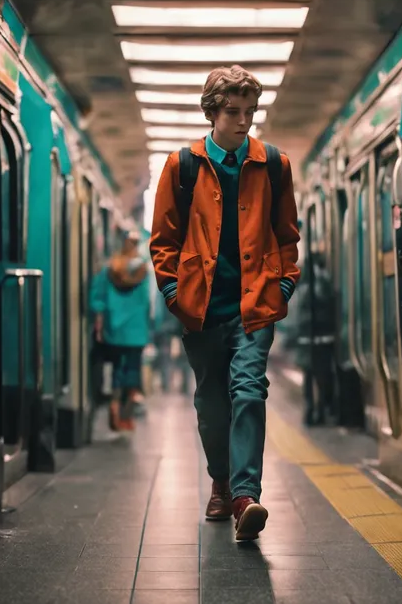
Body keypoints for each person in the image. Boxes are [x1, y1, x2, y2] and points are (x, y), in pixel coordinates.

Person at [150, 65, 300, 541]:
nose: (243, 121)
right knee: (212, 406)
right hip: (201, 310)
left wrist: (284, 286)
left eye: (249, 112)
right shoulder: (182, 166)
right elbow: (163, 240)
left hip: (255, 307)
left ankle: (243, 497)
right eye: (233, 112)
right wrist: (174, 293)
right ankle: (220, 480)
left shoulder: (275, 164)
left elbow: (287, 237)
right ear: (212, 112)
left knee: (250, 391)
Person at [90, 231, 151, 432]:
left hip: (114, 330)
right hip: (136, 330)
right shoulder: (142, 271)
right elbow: (147, 302)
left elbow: (96, 298)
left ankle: (114, 403)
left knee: (117, 368)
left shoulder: (110, 269)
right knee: (132, 370)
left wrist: (101, 318)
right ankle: (126, 416)